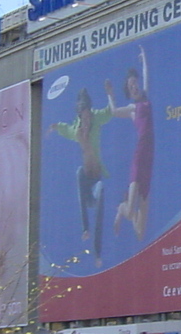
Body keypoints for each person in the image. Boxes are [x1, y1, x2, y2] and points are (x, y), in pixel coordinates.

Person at [48, 87, 115, 264]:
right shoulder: (77, 128)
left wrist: (109, 93)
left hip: (96, 182)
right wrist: (55, 127)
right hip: (85, 186)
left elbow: (110, 112)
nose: (85, 120)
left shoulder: (96, 117)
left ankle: (97, 252)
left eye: (87, 116)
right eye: (82, 116)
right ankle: (85, 228)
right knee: (79, 172)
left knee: (101, 189)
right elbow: (66, 129)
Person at [107, 45, 155, 241]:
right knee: (128, 212)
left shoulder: (145, 98)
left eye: (135, 83)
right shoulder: (132, 108)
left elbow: (146, 77)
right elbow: (114, 111)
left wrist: (144, 59)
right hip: (139, 157)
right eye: (131, 86)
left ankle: (129, 212)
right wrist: (110, 95)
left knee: (140, 232)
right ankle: (121, 207)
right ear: (128, 90)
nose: (134, 87)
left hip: (149, 162)